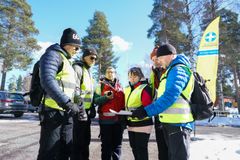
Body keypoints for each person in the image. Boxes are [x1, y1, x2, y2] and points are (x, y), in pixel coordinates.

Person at [132, 44, 194, 160]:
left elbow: (169, 97)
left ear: (169, 55)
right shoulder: (170, 70)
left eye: (159, 58)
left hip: (179, 124)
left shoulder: (178, 69)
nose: (158, 61)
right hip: (170, 123)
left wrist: (146, 111)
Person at [37, 28, 84, 160]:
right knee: (49, 153)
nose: (77, 51)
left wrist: (78, 104)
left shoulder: (69, 62)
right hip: (53, 113)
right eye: (76, 47)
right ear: (66, 44)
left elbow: (73, 88)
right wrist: (67, 103)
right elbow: (47, 80)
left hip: (67, 113)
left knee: (65, 151)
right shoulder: (52, 55)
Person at [71, 47, 97, 160]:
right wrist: (80, 108)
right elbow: (75, 90)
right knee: (77, 142)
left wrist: (92, 107)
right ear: (84, 57)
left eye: (95, 59)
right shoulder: (78, 68)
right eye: (91, 57)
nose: (93, 60)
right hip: (78, 112)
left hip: (86, 112)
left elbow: (89, 94)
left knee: (86, 140)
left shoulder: (89, 72)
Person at [94, 66, 125, 160]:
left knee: (117, 146)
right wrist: (106, 98)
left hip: (118, 122)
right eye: (108, 72)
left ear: (115, 73)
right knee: (106, 147)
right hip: (105, 122)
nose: (110, 74)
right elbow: (95, 100)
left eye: (112, 72)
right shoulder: (100, 85)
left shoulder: (120, 86)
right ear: (105, 73)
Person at [125, 67, 153, 160]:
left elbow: (147, 105)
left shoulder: (145, 88)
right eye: (130, 76)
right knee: (134, 148)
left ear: (140, 76)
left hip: (143, 123)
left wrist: (135, 112)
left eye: (134, 76)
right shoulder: (127, 89)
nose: (132, 78)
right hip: (131, 123)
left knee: (141, 149)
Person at [149, 46, 168, 160]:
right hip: (158, 114)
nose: (155, 61)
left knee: (171, 148)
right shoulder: (154, 73)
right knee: (161, 147)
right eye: (153, 60)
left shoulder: (170, 70)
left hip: (171, 115)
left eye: (156, 58)